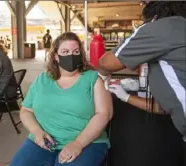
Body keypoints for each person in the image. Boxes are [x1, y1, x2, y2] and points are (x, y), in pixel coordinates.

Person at [11, 32, 113, 166]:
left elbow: (104, 114)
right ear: (56, 57)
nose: (71, 55)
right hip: (44, 141)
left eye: (75, 51)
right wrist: (36, 131)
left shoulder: (92, 79)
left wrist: (78, 144)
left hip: (87, 142)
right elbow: (26, 110)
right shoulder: (42, 80)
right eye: (65, 51)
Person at [98, 1, 186, 138]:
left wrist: (102, 76)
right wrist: (128, 96)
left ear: (154, 18)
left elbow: (107, 63)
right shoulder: (180, 28)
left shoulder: (164, 27)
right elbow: (166, 105)